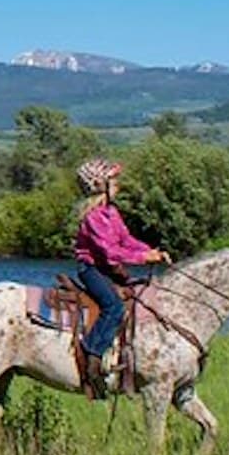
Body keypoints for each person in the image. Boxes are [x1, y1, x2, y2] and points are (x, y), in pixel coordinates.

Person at [72, 157, 170, 394]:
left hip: (106, 268)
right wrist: (143, 259)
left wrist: (149, 251)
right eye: (113, 181)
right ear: (99, 186)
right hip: (92, 269)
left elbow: (126, 240)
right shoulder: (93, 217)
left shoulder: (111, 212)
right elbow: (109, 251)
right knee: (114, 306)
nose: (118, 185)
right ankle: (92, 354)